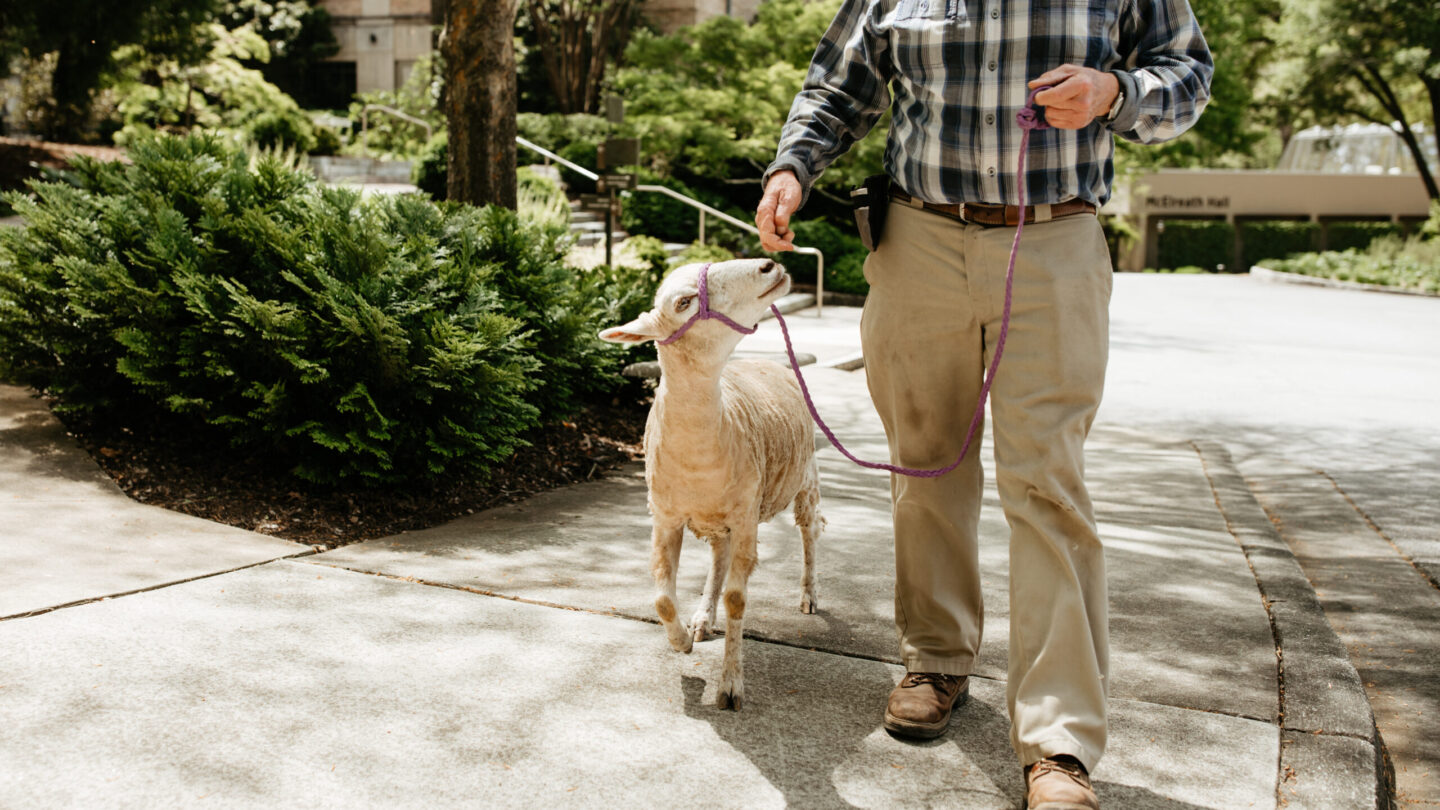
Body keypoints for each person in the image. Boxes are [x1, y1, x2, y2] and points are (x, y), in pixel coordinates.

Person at [754, 1, 1212, 807]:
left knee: (1046, 484)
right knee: (923, 465)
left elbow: (1188, 78)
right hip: (917, 241)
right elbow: (836, 87)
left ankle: (1058, 742)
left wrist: (1114, 92)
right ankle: (935, 657)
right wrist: (793, 168)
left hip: (1055, 242)